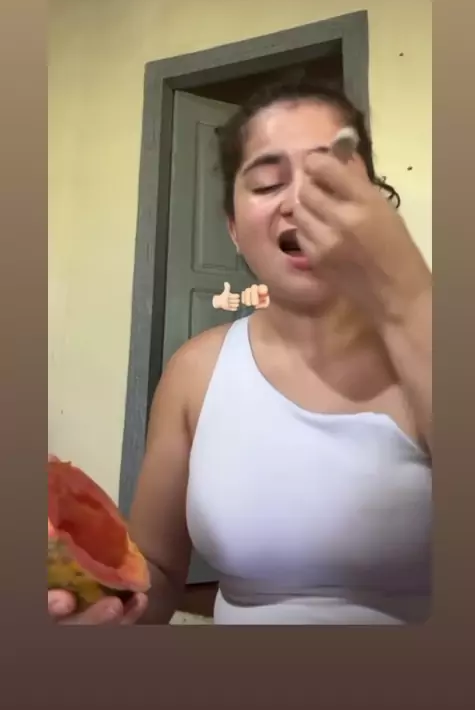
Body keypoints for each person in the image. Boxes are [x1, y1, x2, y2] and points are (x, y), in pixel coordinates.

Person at [49, 79, 432, 625]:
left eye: (332, 178)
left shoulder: (429, 344)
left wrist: (409, 294)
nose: (301, 202)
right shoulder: (194, 372)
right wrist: (98, 602)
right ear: (232, 228)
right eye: (269, 183)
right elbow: (156, 571)